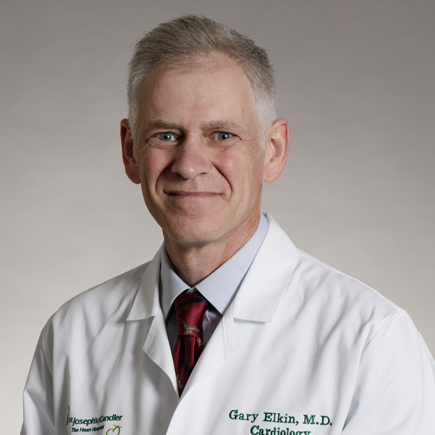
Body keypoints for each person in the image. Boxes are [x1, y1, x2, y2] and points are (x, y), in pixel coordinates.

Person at [21, 15, 435, 435]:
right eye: (165, 135)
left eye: (221, 135)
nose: (189, 165)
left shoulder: (372, 340)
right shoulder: (72, 334)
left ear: (273, 150)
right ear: (130, 151)